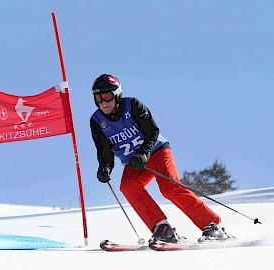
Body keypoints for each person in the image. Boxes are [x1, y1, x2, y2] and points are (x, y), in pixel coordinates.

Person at [90, 74, 230, 243]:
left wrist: (144, 153)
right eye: (98, 98)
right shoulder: (97, 121)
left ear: (117, 94)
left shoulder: (132, 105)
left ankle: (212, 225)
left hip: (156, 152)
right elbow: (104, 150)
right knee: (128, 186)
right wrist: (105, 167)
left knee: (169, 188)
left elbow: (152, 131)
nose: (103, 103)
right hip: (135, 162)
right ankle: (162, 228)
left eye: (107, 97)